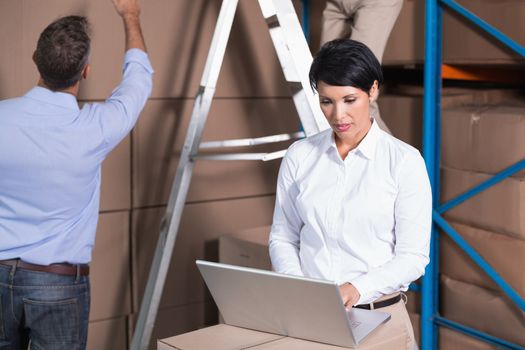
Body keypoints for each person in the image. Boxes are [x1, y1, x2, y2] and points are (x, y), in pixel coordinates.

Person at [0, 0, 152, 348]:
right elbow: (139, 81)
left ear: (35, 58)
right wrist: (130, 15)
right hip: (56, 286)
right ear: (85, 71)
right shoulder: (95, 128)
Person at [269, 39, 431, 349]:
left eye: (349, 99)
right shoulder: (300, 156)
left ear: (373, 90)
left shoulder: (404, 162)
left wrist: (356, 288)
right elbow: (283, 236)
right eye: (326, 101)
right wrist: (299, 286)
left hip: (380, 320)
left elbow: (413, 257)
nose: (338, 114)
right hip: (311, 319)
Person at [320, 0, 404, 134]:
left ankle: (388, 155)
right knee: (326, 87)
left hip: (373, 2)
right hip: (335, 3)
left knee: (360, 93)